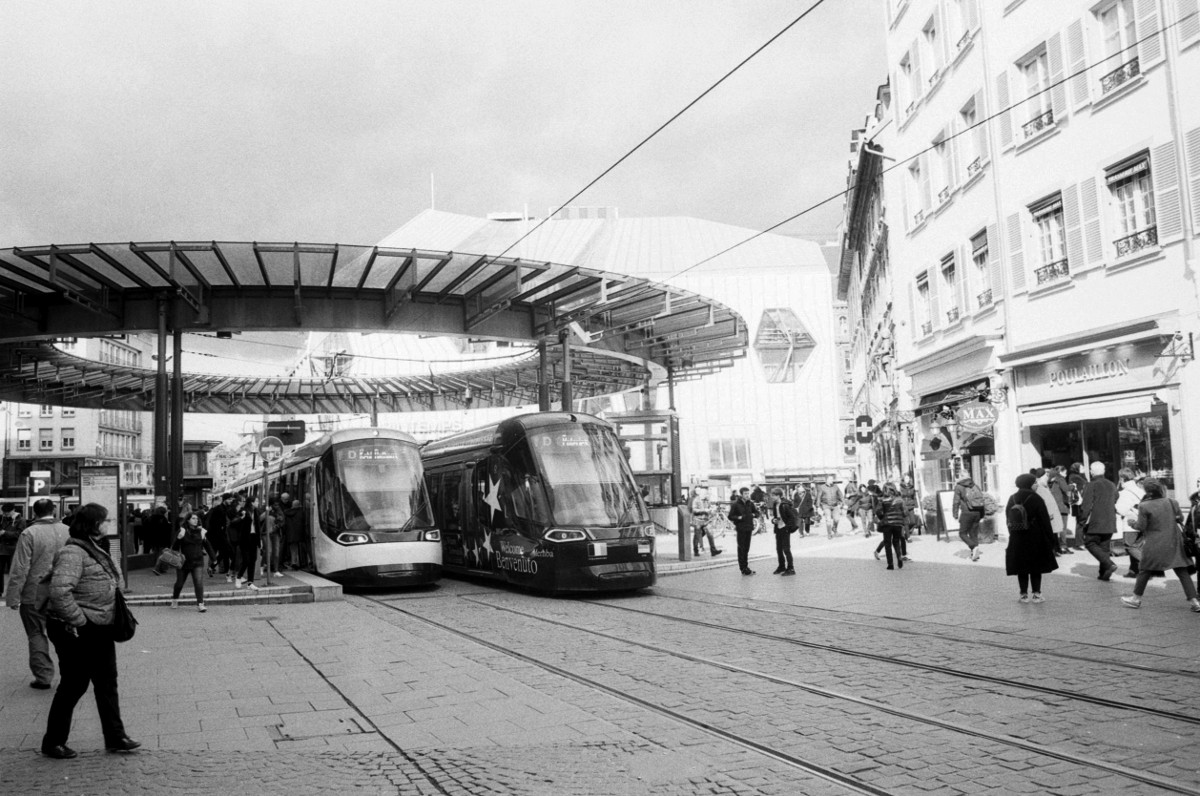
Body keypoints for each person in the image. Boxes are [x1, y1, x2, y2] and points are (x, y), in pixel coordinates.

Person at [41, 503, 139, 759]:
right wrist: (80, 621)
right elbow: (59, 592)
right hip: (76, 629)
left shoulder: (97, 547)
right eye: (105, 520)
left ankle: (116, 736)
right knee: (74, 683)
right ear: (94, 524)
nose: (109, 524)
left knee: (107, 682)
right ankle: (53, 742)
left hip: (100, 627)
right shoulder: (73, 552)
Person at [5, 499, 70, 690]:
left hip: (33, 593)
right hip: (63, 590)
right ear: (54, 510)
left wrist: (13, 596)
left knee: (36, 633)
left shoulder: (29, 533)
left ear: (34, 513)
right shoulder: (68, 530)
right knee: (65, 634)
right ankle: (72, 673)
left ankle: (43, 676)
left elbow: (20, 568)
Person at [1120, 479, 1200, 612]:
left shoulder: (1144, 506)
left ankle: (1135, 599)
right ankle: (1195, 602)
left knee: (1145, 570)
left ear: (1147, 491)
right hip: (1174, 542)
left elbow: (1141, 526)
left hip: (1154, 543)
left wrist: (1131, 522)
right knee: (1182, 572)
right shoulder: (1172, 502)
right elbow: (1180, 518)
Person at [1005, 474, 1058, 603]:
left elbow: (1008, 518)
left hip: (1017, 536)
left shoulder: (1012, 498)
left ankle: (1023, 594)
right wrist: (1051, 538)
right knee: (1036, 567)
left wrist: (1013, 533)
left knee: (1021, 566)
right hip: (1035, 536)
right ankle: (1036, 594)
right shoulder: (1036, 498)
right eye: (1034, 482)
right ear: (1029, 484)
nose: (1036, 485)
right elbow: (1045, 520)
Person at [1079, 461, 1119, 581]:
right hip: (1110, 519)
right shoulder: (1111, 484)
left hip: (1096, 519)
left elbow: (1086, 505)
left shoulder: (1091, 485)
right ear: (1104, 471)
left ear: (1091, 472)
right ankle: (1104, 573)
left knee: (1090, 543)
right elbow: (1116, 497)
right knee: (1104, 547)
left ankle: (1109, 564)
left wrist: (1082, 520)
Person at [170, 512, 216, 612]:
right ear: (188, 520)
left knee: (198, 583)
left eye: (196, 518)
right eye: (193, 518)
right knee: (179, 583)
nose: (196, 520)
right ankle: (175, 598)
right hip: (183, 562)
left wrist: (214, 558)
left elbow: (207, 545)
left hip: (197, 561)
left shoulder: (201, 531)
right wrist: (179, 538)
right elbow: (174, 548)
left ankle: (200, 603)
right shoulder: (182, 530)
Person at [1114, 468, 1146, 578]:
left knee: (1129, 547)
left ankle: (1149, 566)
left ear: (1122, 479)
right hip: (1142, 522)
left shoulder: (1125, 493)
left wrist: (1114, 505)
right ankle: (1134, 571)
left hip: (1130, 524)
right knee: (1138, 546)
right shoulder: (1139, 490)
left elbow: (1121, 510)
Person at [952, 474, 987, 561]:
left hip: (966, 513)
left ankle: (973, 547)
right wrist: (982, 514)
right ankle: (975, 555)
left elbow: (956, 502)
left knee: (962, 533)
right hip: (977, 512)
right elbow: (981, 500)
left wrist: (955, 514)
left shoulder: (959, 487)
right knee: (973, 534)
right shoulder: (975, 485)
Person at [873, 483, 907, 570]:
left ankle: (890, 564)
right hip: (898, 524)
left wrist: (882, 517)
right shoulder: (900, 499)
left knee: (887, 544)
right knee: (896, 542)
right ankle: (899, 558)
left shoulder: (882, 500)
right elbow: (905, 512)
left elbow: (878, 511)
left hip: (887, 524)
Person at [232, 496, 261, 590]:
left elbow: (258, 527)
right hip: (245, 539)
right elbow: (234, 523)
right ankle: (239, 577)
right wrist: (242, 517)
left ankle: (250, 583)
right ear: (252, 502)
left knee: (253, 559)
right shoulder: (244, 511)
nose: (258, 502)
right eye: (256, 501)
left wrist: (259, 540)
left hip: (253, 537)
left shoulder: (256, 511)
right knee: (246, 560)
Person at [1030, 469, 1063, 553]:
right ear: (1040, 477)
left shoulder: (1045, 486)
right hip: (1048, 515)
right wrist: (1047, 514)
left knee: (1052, 532)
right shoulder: (1038, 488)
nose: (1047, 478)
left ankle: (1054, 550)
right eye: (1046, 476)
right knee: (1048, 533)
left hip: (1052, 514)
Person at [727, 487, 757, 575]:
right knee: (741, 548)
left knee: (746, 548)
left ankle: (746, 567)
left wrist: (753, 515)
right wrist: (738, 517)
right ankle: (743, 568)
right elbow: (730, 516)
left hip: (749, 527)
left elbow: (757, 513)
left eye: (748, 493)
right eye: (745, 493)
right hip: (741, 528)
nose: (747, 495)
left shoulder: (750, 503)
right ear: (741, 494)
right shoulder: (736, 504)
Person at [1, 502, 28, 595]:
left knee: (14, 571)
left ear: (13, 510)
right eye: (4, 513)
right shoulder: (2, 519)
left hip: (14, 548)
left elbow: (20, 534)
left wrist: (5, 533)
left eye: (7, 513)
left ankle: (13, 592)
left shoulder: (21, 520)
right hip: (2, 548)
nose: (6, 515)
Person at [770, 487, 798, 575]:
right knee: (779, 549)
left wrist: (787, 528)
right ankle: (781, 566)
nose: (772, 497)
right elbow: (775, 516)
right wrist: (773, 520)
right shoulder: (775, 504)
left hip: (785, 529)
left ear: (778, 496)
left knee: (786, 549)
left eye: (773, 495)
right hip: (778, 528)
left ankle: (791, 568)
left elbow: (792, 517)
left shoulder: (785, 505)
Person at [280, 492, 310, 570]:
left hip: (291, 534)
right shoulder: (302, 512)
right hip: (300, 534)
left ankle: (294, 562)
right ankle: (304, 562)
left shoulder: (286, 512)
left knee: (293, 549)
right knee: (302, 548)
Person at [689, 486, 721, 558]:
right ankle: (696, 550)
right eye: (704, 493)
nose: (706, 495)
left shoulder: (707, 500)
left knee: (710, 534)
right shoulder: (696, 500)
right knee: (697, 536)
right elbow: (694, 510)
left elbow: (709, 507)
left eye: (706, 493)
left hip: (706, 520)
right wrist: (704, 510)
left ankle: (713, 550)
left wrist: (712, 510)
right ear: (700, 493)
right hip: (698, 520)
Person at [1046, 466, 1072, 554]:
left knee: (1056, 527)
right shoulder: (1060, 479)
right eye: (1065, 472)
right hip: (1062, 506)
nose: (1066, 474)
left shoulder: (1051, 480)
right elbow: (1066, 489)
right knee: (1063, 527)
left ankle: (1056, 547)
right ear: (1060, 472)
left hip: (1055, 506)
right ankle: (1063, 546)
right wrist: (1072, 486)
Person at [1067, 463, 1088, 550]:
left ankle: (1081, 542)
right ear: (1077, 469)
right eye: (1082, 467)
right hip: (1080, 502)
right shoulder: (1075, 477)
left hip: (1079, 502)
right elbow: (1084, 486)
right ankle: (1080, 543)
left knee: (1081, 522)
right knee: (1081, 522)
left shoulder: (1077, 476)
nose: (1084, 469)